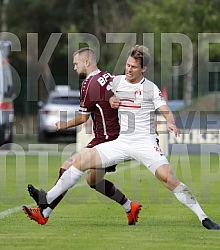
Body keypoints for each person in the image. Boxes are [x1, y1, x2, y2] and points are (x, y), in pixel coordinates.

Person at [25, 45, 220, 230]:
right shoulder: (116, 82)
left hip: (145, 143)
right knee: (79, 160)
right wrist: (111, 99)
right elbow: (103, 91)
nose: (129, 69)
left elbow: (165, 109)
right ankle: (47, 199)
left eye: (134, 67)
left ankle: (203, 217)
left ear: (143, 69)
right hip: (121, 142)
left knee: (168, 179)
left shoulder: (150, 88)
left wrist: (170, 121)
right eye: (127, 65)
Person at [22, 47, 141, 225]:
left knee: (68, 166)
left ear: (87, 62)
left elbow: (83, 117)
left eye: (76, 63)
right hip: (114, 137)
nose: (74, 67)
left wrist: (65, 124)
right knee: (94, 181)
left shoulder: (89, 84)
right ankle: (130, 207)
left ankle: (45, 210)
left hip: (105, 141)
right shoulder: (108, 76)